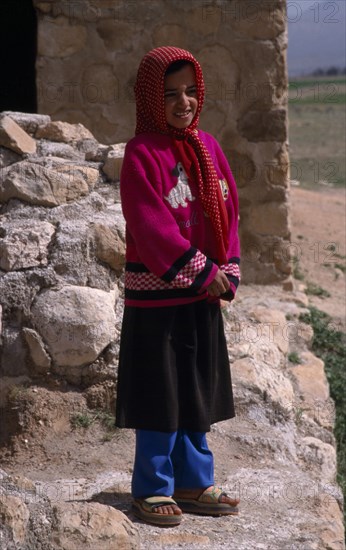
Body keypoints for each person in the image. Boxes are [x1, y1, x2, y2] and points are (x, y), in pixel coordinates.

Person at [115, 46, 240, 527]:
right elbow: (152, 228)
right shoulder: (141, 154)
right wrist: (205, 272)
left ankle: (193, 481)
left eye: (190, 91)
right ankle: (152, 486)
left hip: (202, 298)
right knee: (159, 395)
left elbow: (229, 213)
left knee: (195, 394)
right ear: (150, 98)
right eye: (169, 94)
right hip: (158, 300)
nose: (183, 101)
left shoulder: (209, 148)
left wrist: (229, 268)